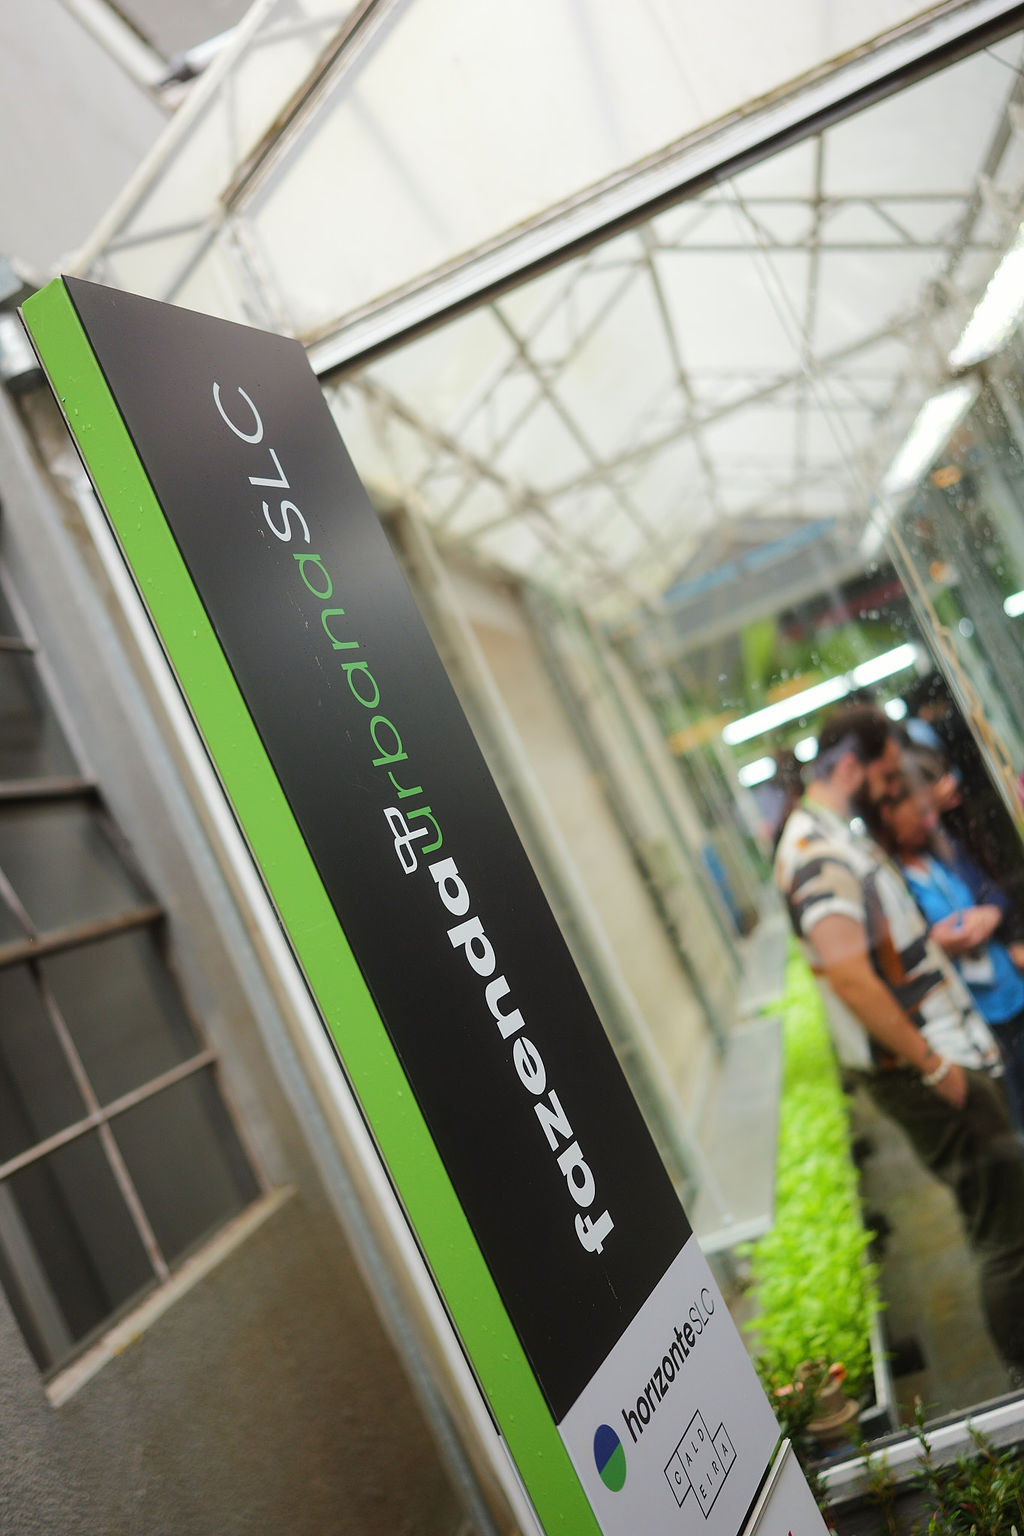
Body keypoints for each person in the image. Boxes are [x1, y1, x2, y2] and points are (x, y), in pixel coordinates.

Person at [774, 702, 1024, 1384]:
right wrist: (935, 1065)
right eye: (886, 775)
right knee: (1007, 1233)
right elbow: (850, 978)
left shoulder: (829, 838)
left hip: (938, 1052)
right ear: (853, 768)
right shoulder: (815, 850)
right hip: (922, 1063)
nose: (892, 790)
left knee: (1001, 1214)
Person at [862, 770, 1024, 1139]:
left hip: (1009, 985)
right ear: (889, 817)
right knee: (1010, 1109)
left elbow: (991, 891)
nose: (928, 820)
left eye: (929, 811)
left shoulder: (941, 851)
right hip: (970, 1013)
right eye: (919, 812)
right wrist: (933, 944)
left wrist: (989, 915)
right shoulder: (891, 884)